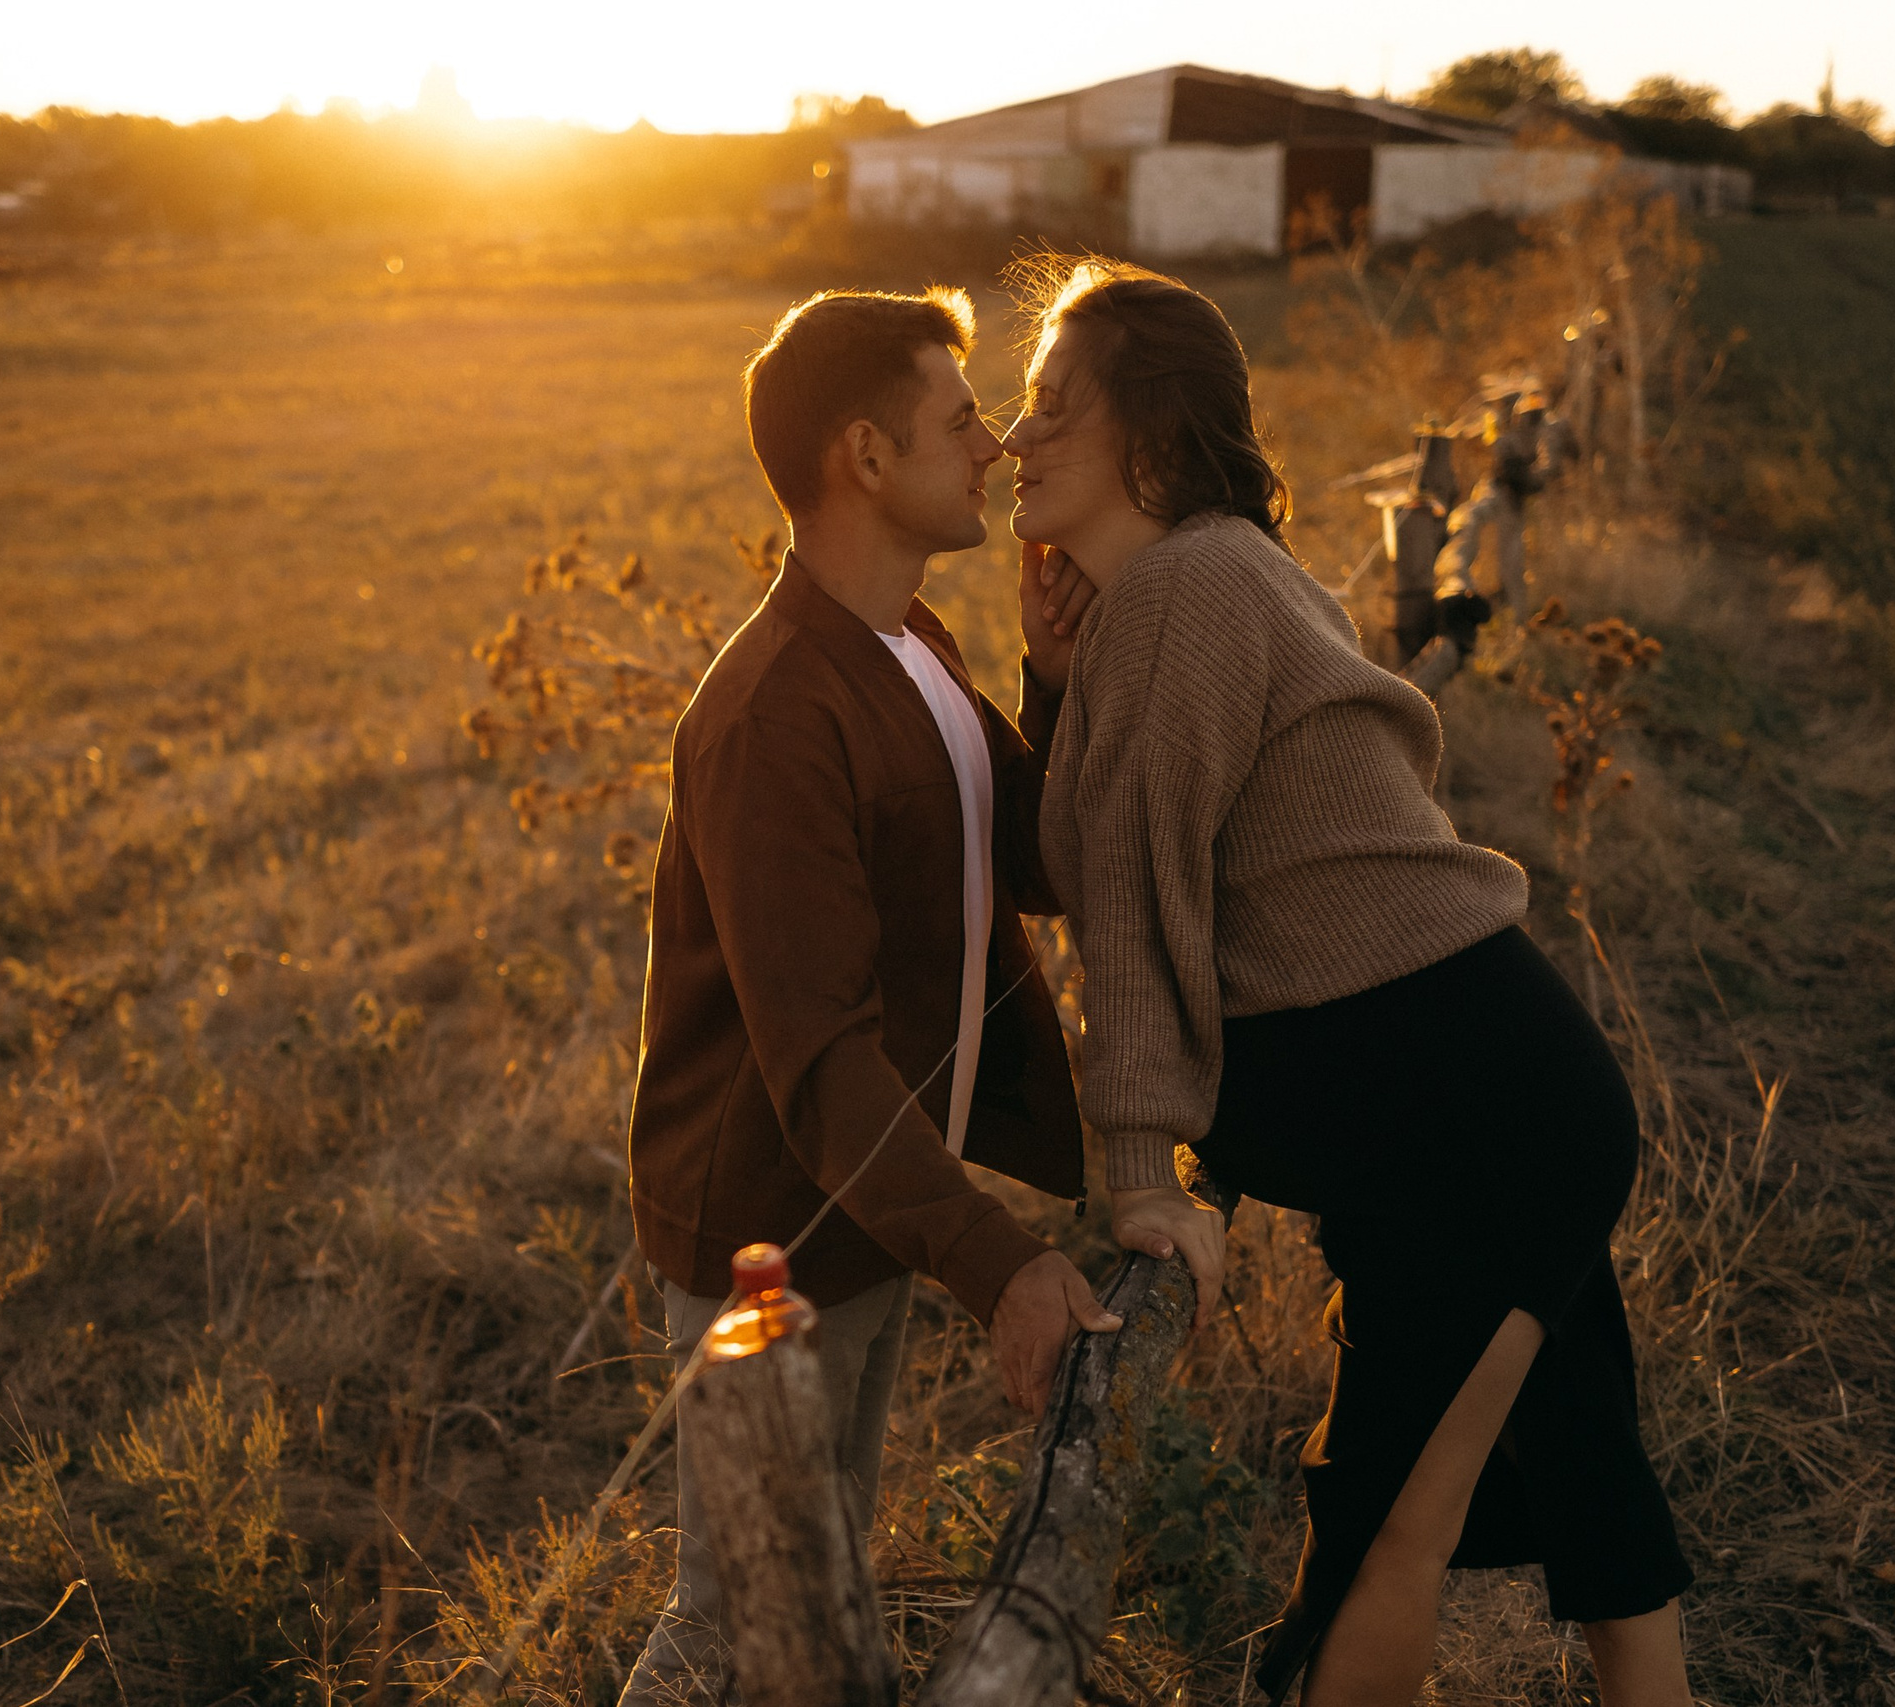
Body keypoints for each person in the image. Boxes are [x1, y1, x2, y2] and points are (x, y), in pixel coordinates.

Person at [1003, 258, 1695, 1707]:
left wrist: (1138, 1170)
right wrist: (1050, 676)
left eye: (1051, 408)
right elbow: (1089, 851)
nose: (1016, 440)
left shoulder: (1190, 587)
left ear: (1151, 439)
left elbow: (1126, 898)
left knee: (1388, 1527)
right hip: (1464, 1101)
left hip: (1465, 1110)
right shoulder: (1186, 589)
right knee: (1572, 1443)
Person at [620, 287, 1112, 1706]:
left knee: (819, 1591)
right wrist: (999, 1262)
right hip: (768, 1232)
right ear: (866, 456)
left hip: (878, 1191)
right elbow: (820, 1060)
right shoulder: (776, 713)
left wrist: (1058, 686)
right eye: (961, 419)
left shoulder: (919, 650)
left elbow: (1033, 861)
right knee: (733, 1615)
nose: (999, 444)